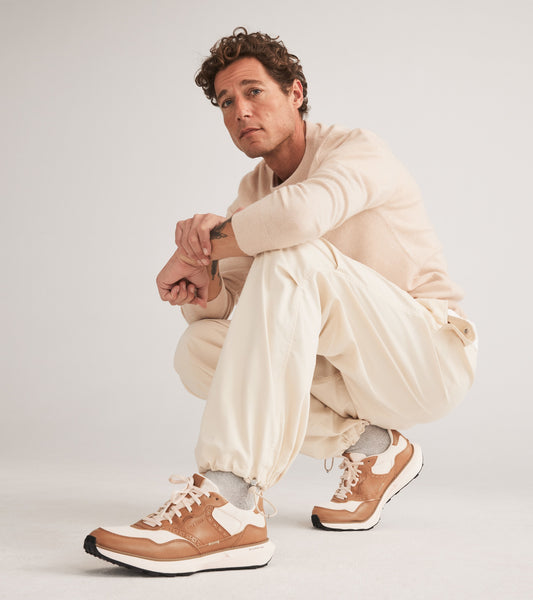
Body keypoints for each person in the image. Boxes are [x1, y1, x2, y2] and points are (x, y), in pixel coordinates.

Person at [83, 27, 478, 576]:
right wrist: (207, 282)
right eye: (226, 102)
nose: (240, 111)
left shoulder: (356, 149)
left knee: (292, 253)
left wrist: (206, 242)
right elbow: (242, 305)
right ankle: (373, 446)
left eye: (253, 91)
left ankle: (230, 505)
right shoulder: (253, 192)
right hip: (349, 376)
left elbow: (298, 219)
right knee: (199, 349)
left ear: (295, 92)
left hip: (426, 357)